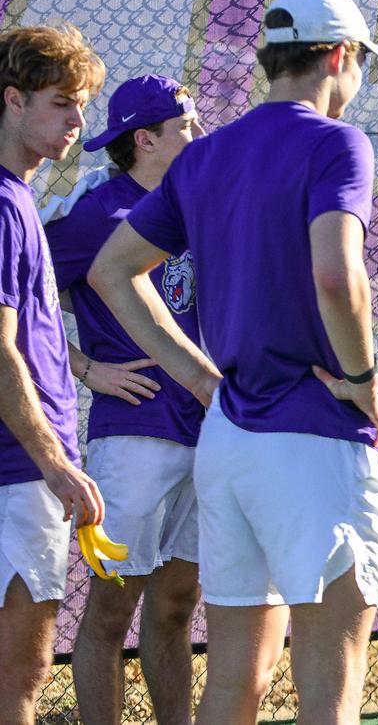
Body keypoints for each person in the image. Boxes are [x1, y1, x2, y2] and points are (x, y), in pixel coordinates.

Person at [89, 0, 378, 724]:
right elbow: (336, 271)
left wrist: (200, 379)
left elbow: (110, 271)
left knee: (233, 683)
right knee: (331, 686)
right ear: (340, 55)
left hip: (229, 437)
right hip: (314, 432)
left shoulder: (205, 154)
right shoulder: (336, 140)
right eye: (361, 63)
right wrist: (362, 378)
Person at [49, 75, 205, 725]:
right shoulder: (95, 212)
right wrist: (85, 368)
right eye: (185, 126)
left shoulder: (197, 202)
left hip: (209, 430)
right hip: (134, 434)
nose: (197, 136)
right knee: (111, 613)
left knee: (173, 610)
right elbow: (23, 299)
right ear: (146, 139)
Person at [0, 21, 107, 724]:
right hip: (16, 469)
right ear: (13, 100)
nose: (77, 119)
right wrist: (57, 464)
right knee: (20, 677)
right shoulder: (7, 205)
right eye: (63, 102)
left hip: (20, 466)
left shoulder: (21, 199)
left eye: (81, 105)